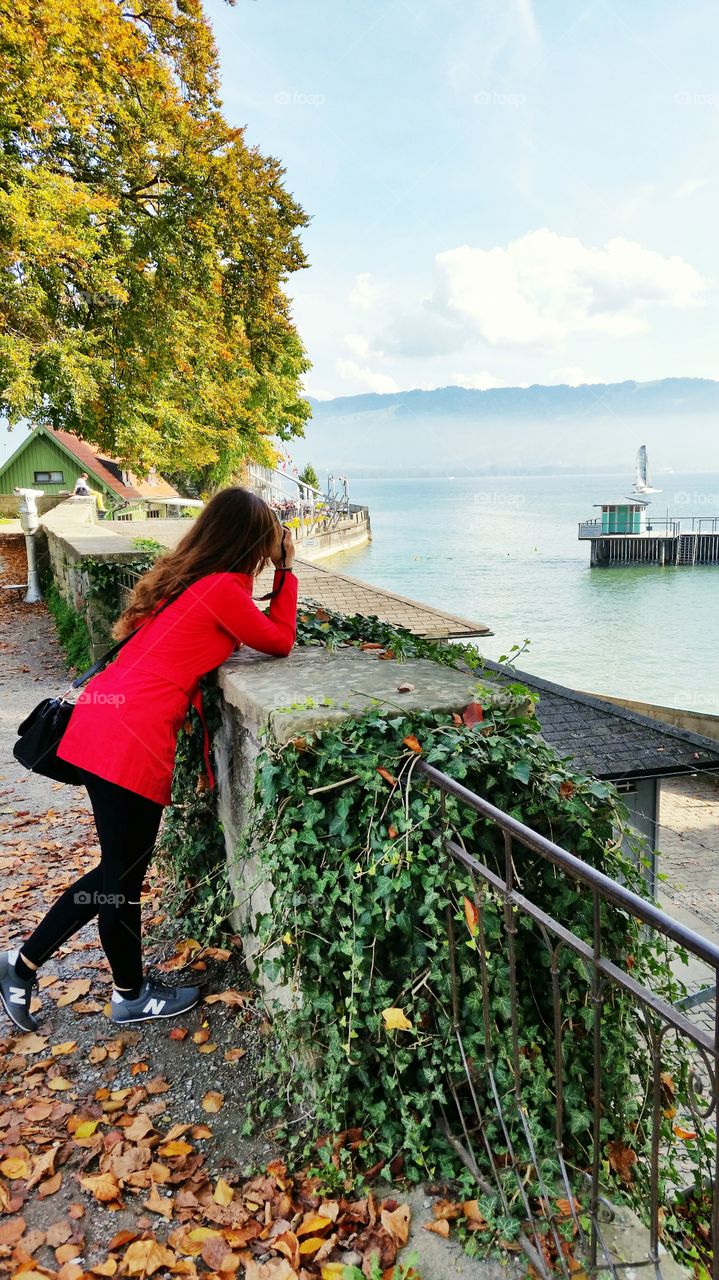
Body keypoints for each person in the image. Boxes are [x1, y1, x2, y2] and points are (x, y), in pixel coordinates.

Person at [0, 487, 297, 1031]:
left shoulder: (185, 582)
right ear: (252, 542)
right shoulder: (224, 589)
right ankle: (53, 974)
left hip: (103, 722)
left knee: (120, 872)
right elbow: (279, 642)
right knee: (119, 876)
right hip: (128, 740)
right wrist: (285, 574)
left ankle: (87, 982)